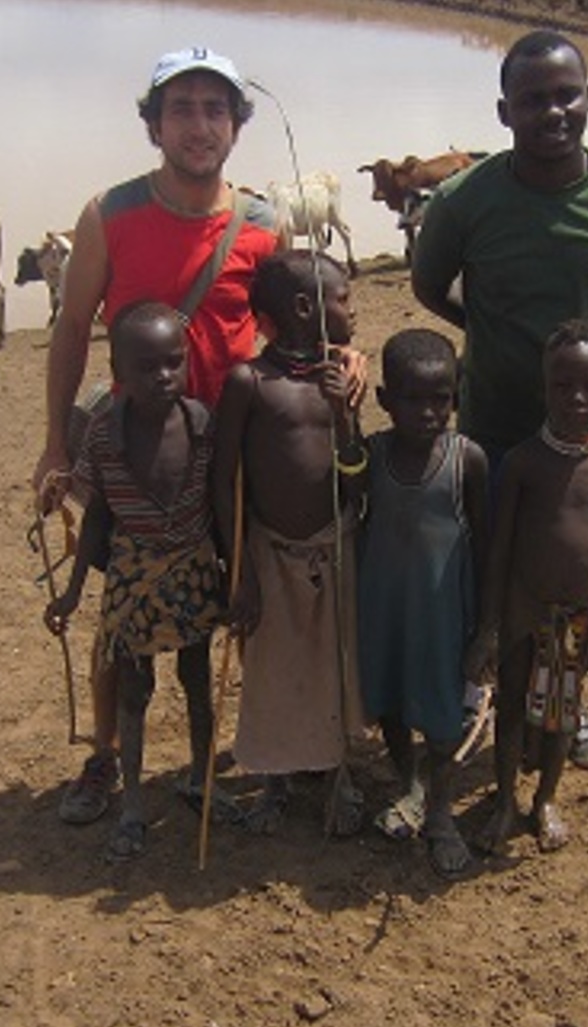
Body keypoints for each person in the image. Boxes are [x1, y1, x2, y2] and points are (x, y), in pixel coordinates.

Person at [409, 28, 588, 771]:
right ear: (503, 111)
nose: (553, 112)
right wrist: (485, 329)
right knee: (487, 557)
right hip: (493, 417)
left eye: (567, 95)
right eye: (533, 100)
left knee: (574, 570)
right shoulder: (463, 203)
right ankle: (479, 686)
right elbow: (432, 287)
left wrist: (585, 356)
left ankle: (569, 707)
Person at [33, 47, 280, 826]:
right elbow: (73, 329)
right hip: (132, 454)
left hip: (227, 450)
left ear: (236, 125)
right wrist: (55, 443)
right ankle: (106, 756)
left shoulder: (265, 224)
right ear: (152, 125)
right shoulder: (108, 213)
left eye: (216, 109)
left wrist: (345, 351)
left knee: (240, 592)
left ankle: (245, 750)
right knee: (121, 603)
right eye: (181, 108)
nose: (199, 126)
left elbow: (284, 327)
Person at [43, 302, 230, 860]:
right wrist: (74, 590)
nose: (163, 376)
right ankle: (131, 808)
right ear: (119, 368)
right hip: (133, 580)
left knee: (198, 681)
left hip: (194, 572)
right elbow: (98, 517)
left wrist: (235, 575)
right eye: (147, 367)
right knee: (134, 690)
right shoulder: (103, 436)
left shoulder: (203, 424)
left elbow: (220, 506)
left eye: (174, 362)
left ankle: (199, 779)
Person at [212, 250, 369, 838]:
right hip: (269, 554)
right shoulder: (250, 383)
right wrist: (239, 571)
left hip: (335, 544)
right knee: (274, 671)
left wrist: (343, 413)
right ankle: (274, 779)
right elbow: (225, 482)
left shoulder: (342, 378)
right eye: (343, 299)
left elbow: (356, 469)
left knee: (334, 664)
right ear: (306, 308)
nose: (352, 310)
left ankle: (337, 776)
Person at [465, 321, 588, 854]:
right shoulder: (523, 464)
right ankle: (503, 802)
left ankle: (544, 800)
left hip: (577, 616)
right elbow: (499, 551)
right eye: (562, 386)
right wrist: (490, 628)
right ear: (544, 389)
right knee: (512, 707)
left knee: (562, 712)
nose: (577, 398)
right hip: (522, 609)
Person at [354, 328, 489, 876]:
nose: (429, 411)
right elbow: (343, 499)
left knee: (442, 715)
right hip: (382, 609)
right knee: (387, 699)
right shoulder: (371, 454)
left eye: (442, 398)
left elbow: (487, 543)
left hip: (441, 615)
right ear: (385, 400)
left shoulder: (467, 460)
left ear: (457, 397)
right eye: (412, 398)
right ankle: (405, 784)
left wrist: (487, 628)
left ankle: (440, 812)